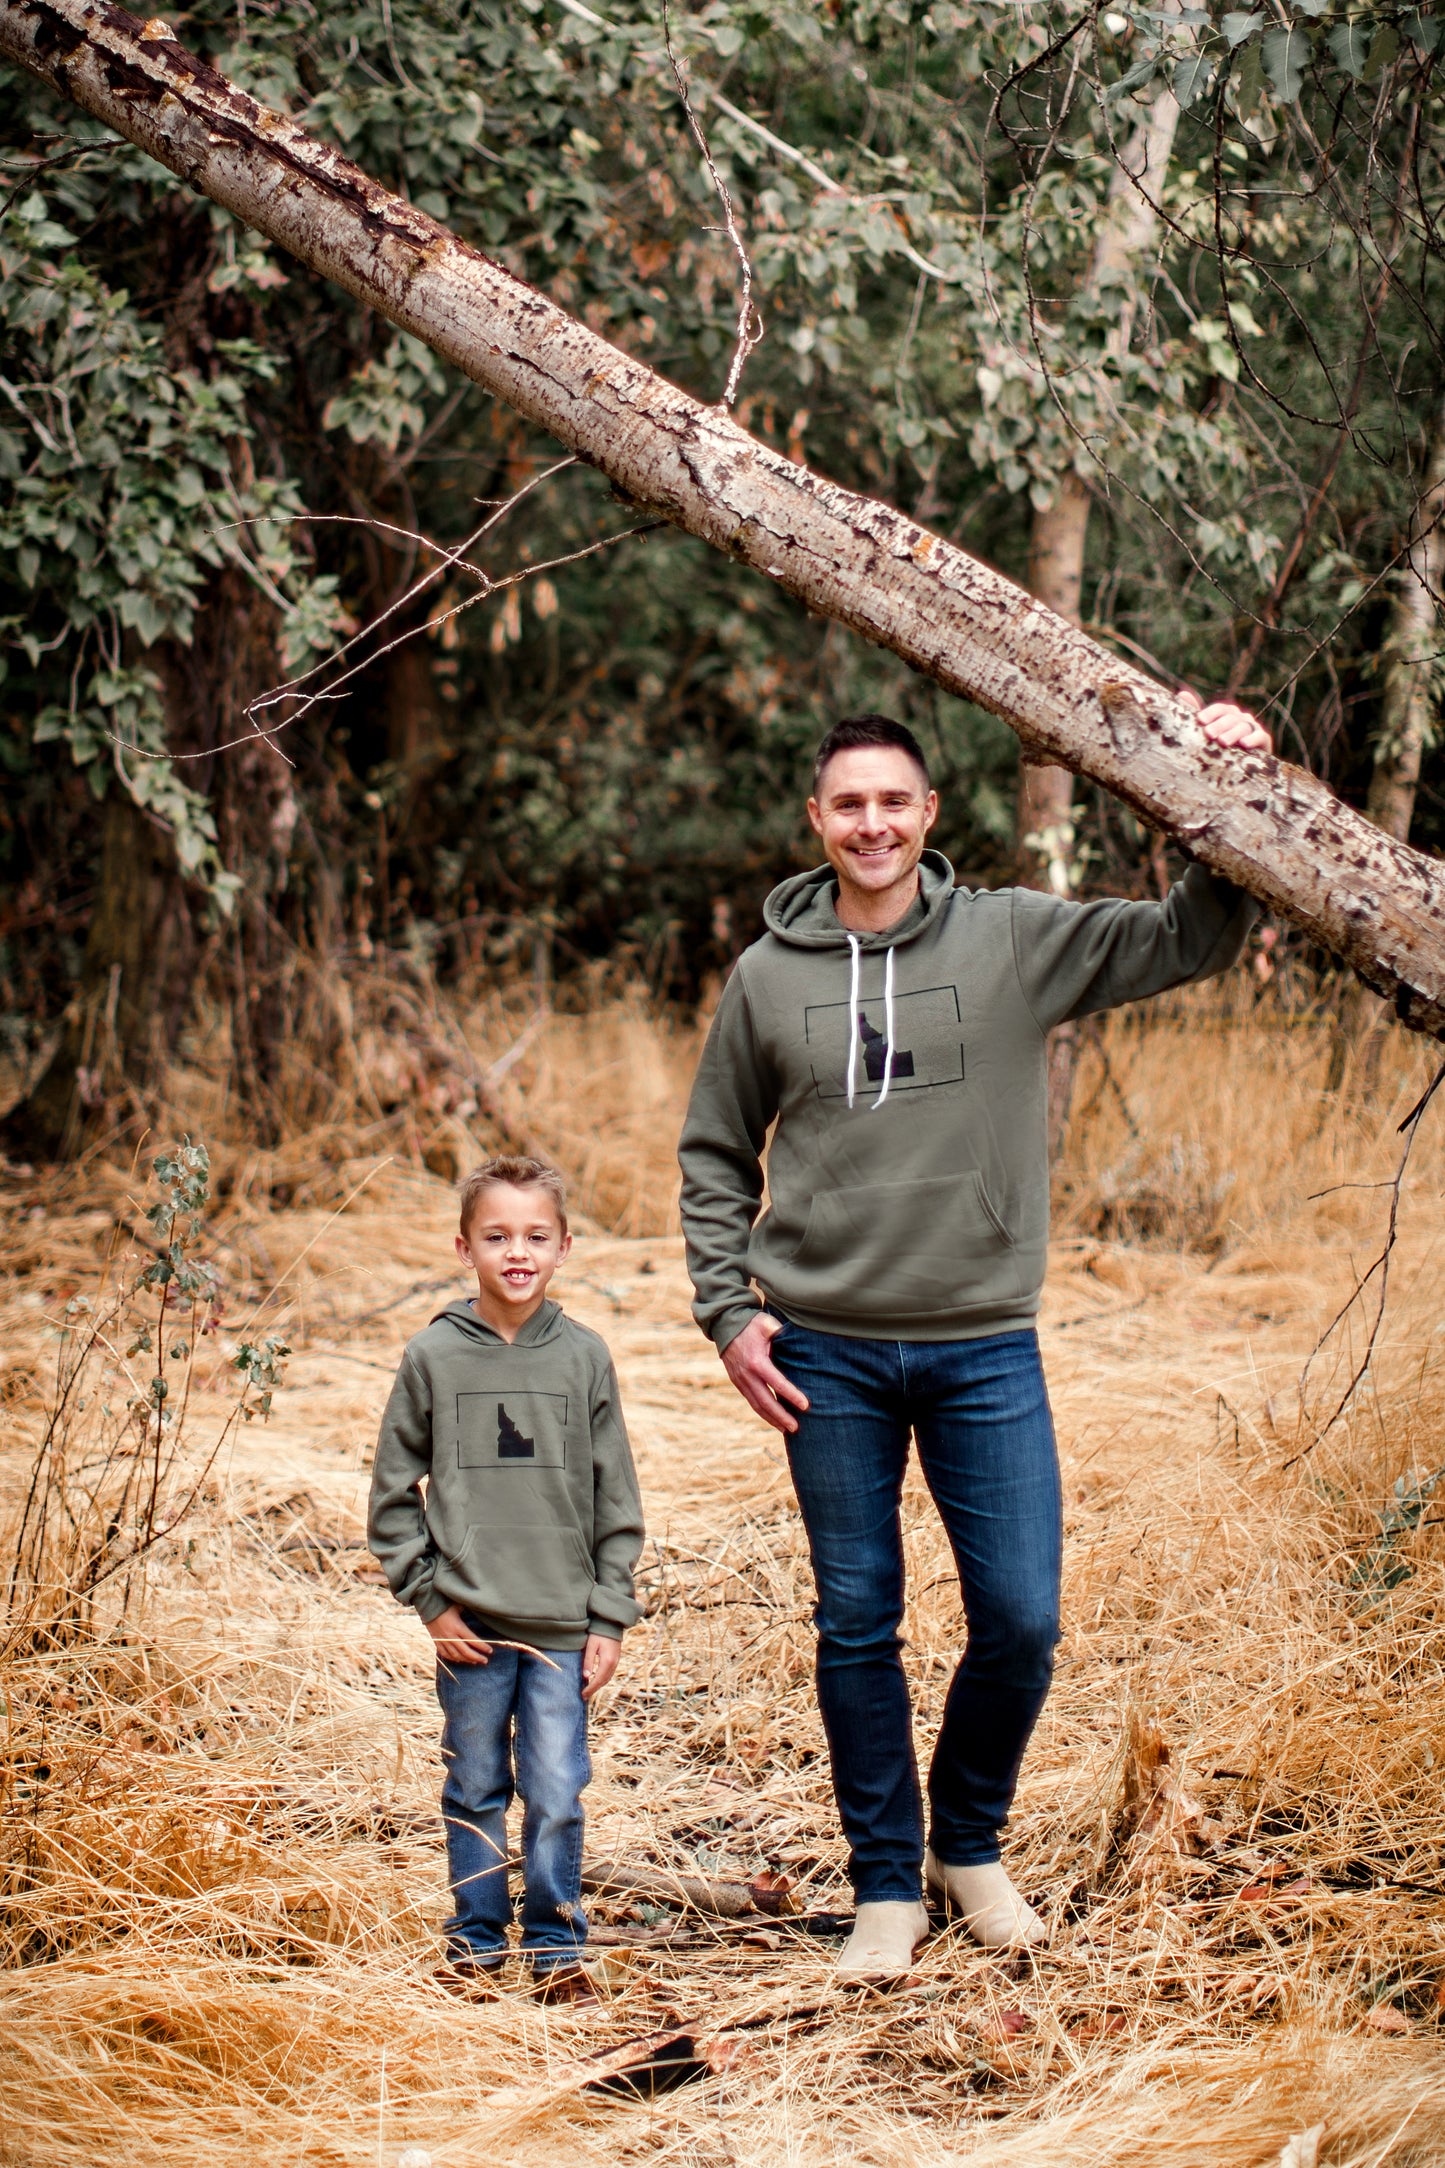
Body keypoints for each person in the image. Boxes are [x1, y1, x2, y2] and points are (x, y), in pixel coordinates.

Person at [678, 697, 1270, 1981]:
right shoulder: (767, 977)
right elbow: (715, 1151)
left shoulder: (1010, 936)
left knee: (1020, 1617)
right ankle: (884, 1885)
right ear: (816, 819)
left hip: (981, 1345)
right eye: (848, 803)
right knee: (857, 1620)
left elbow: (1190, 936)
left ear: (929, 811)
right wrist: (728, 1313)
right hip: (822, 1352)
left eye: (894, 799)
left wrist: (1224, 783)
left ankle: (968, 1843)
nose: (872, 822)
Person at [368, 1154, 644, 2002]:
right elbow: (390, 1497)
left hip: (562, 1627)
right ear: (464, 1248)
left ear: (563, 1247)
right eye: (496, 1236)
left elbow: (615, 1498)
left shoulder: (584, 1358)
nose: (515, 1252)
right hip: (473, 1632)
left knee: (557, 1792)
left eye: (535, 1235)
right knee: (476, 1785)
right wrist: (430, 1603)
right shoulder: (433, 1357)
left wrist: (609, 1616)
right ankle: (476, 1944)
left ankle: (557, 1951)